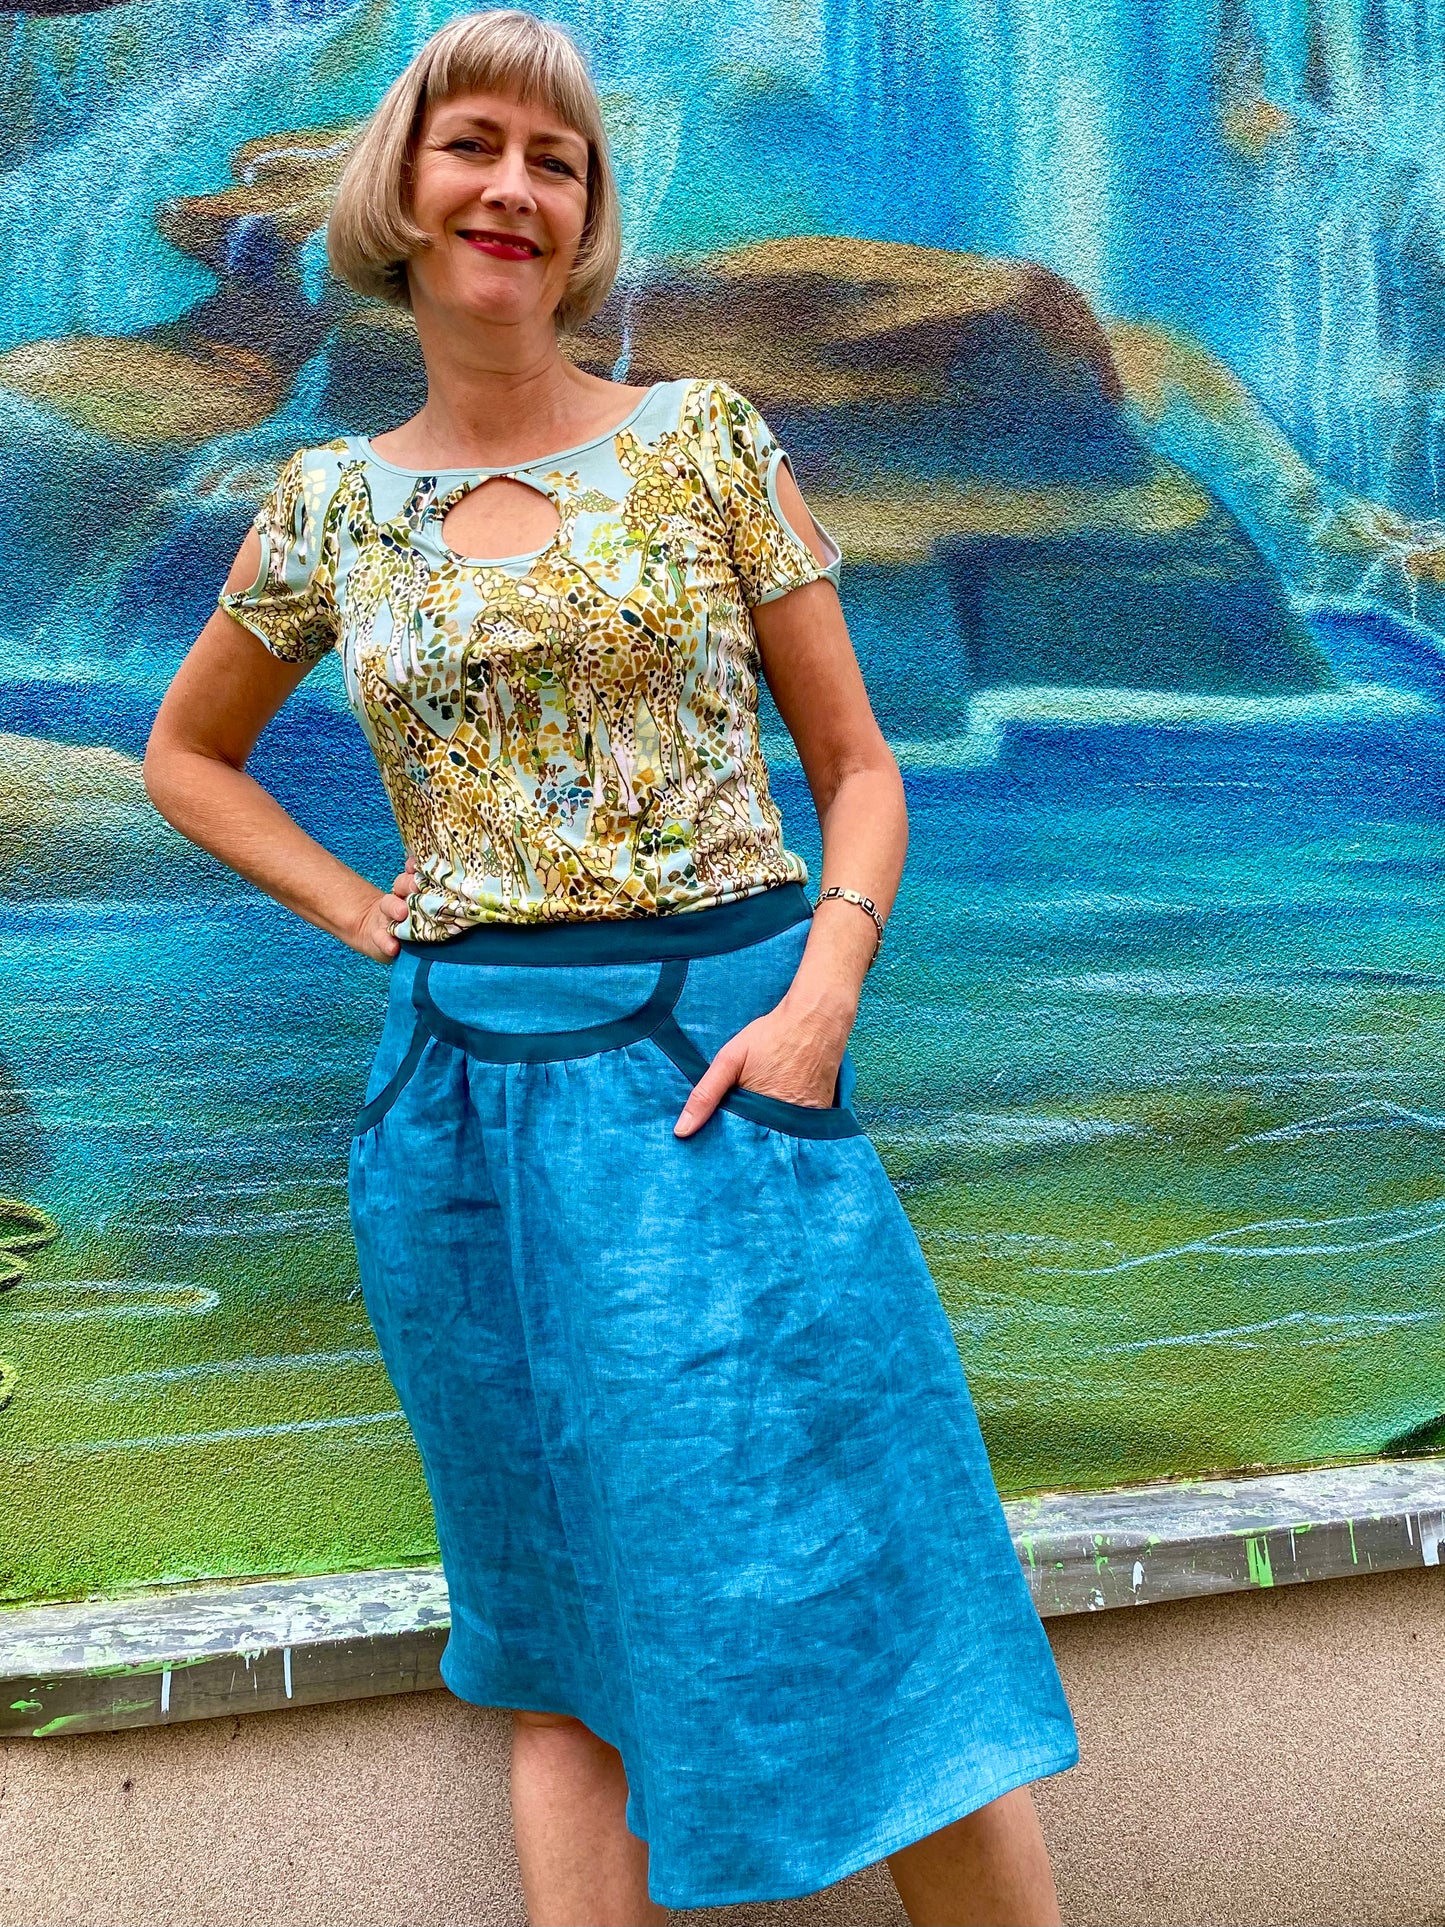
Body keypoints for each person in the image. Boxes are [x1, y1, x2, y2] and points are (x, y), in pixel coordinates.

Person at [143, 10, 1079, 1923]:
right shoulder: (324, 505)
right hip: (457, 1120)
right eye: (473, 145)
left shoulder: (705, 440)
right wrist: (365, 914)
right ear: (400, 192)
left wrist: (818, 1006)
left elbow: (860, 768)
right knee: (558, 1625)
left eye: (554, 161)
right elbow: (185, 756)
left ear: (584, 221)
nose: (513, 187)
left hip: (719, 1080)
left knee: (865, 1584)